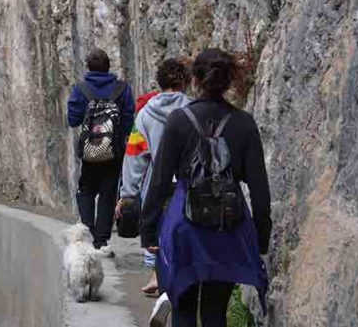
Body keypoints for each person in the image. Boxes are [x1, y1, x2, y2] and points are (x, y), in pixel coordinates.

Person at [140, 49, 271, 327]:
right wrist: (261, 235)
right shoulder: (244, 124)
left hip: (185, 226)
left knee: (184, 307)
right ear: (229, 80)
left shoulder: (178, 120)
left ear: (195, 80)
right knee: (215, 311)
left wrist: (148, 228)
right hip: (229, 227)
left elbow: (160, 178)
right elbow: (259, 186)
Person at [117, 58, 191, 296]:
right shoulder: (192, 110)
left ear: (159, 82)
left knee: (157, 234)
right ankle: (178, 282)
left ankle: (160, 279)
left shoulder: (145, 115)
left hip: (155, 186)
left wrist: (128, 194)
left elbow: (135, 157)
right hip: (187, 185)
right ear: (186, 82)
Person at [67, 48, 135, 253]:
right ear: (108, 67)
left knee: (86, 190)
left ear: (88, 67)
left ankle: (87, 233)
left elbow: (73, 120)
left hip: (89, 152)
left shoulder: (81, 89)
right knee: (108, 192)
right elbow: (129, 119)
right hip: (114, 151)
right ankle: (102, 241)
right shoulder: (122, 89)